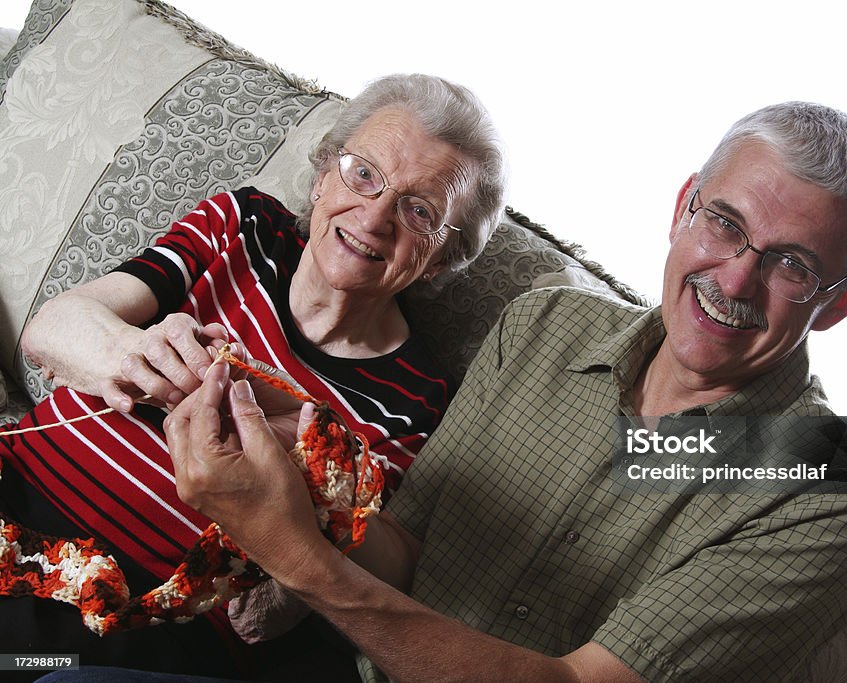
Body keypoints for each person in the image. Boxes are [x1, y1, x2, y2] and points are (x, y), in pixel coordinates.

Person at [49, 101, 847, 683]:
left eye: (794, 265)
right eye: (725, 222)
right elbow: (409, 550)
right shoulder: (543, 328)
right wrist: (298, 443)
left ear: (845, 302)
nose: (736, 278)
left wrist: (288, 548)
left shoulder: (834, 491)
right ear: (684, 207)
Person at [0, 73, 506, 678]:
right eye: (363, 173)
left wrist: (311, 458)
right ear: (322, 177)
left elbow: (372, 563)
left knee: (22, 657)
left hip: (138, 614)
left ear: (441, 260)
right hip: (16, 491)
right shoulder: (244, 228)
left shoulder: (419, 401)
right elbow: (52, 330)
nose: (373, 218)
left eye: (417, 210)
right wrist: (139, 353)